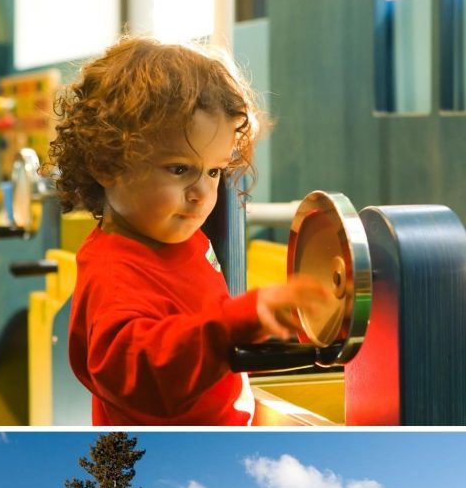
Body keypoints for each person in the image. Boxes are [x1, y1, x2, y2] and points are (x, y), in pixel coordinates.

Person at [51, 35, 328, 426]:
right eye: (180, 168)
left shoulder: (182, 236)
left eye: (214, 171)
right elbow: (146, 372)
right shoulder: (116, 273)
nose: (202, 193)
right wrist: (235, 324)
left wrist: (256, 329)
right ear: (107, 164)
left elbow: (200, 331)